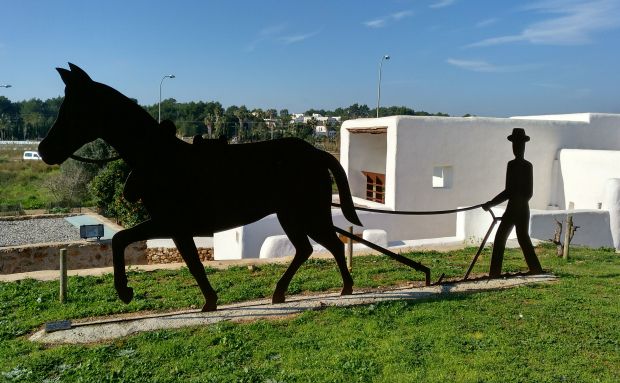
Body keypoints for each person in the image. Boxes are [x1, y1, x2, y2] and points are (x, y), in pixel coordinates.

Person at [482, 128, 544, 277]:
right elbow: (509, 190)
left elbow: (527, 192)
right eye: (515, 145)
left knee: (515, 238)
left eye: (519, 145)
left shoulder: (527, 166)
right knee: (505, 238)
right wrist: (492, 203)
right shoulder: (512, 165)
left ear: (524, 146)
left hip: (520, 209)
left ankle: (497, 272)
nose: (516, 148)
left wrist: (491, 203)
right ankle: (496, 272)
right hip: (515, 208)